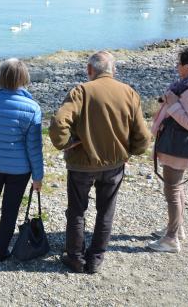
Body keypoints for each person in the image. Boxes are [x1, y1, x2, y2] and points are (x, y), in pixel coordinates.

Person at [49, 51, 150, 274]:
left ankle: (75, 258)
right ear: (113, 70)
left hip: (82, 164)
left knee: (77, 211)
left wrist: (66, 143)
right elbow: (143, 136)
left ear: (89, 70)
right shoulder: (129, 93)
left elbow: (57, 124)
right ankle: (95, 259)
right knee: (106, 212)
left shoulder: (81, 92)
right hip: (114, 165)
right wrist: (130, 151)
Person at [0, 58, 44, 262]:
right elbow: (34, 148)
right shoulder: (32, 108)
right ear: (24, 78)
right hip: (20, 170)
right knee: (10, 208)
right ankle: (1, 250)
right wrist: (38, 176)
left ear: (2, 78)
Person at [147, 46, 188, 253]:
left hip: (177, 147)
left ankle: (171, 238)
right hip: (178, 146)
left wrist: (173, 104)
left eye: (179, 64)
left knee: (172, 190)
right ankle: (177, 228)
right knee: (177, 188)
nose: (176, 67)